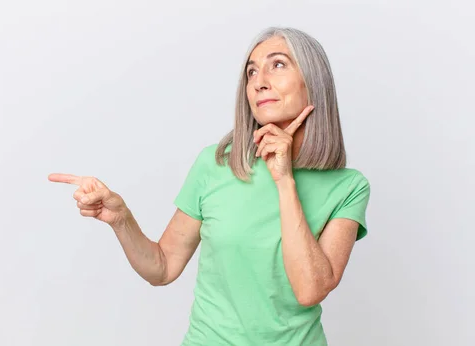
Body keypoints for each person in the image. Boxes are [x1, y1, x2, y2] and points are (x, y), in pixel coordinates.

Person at [48, 26, 371, 346]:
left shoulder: (348, 187)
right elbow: (162, 269)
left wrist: (284, 180)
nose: (260, 82)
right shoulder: (216, 163)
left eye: (278, 64)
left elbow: (310, 290)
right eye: (251, 71)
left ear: (314, 83)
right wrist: (121, 219)